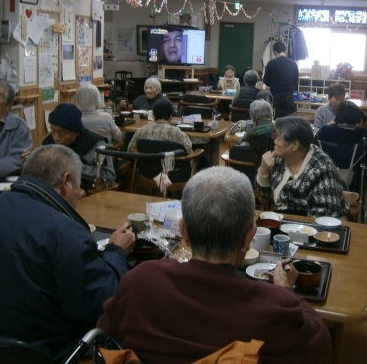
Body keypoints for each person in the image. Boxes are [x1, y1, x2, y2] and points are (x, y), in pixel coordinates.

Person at [97, 167, 331, 364]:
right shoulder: (276, 306)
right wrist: (285, 290)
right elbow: (320, 349)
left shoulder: (141, 281)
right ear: (248, 237)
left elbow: (105, 337)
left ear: (183, 232)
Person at [0, 145, 135, 363]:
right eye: (78, 189)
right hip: (30, 354)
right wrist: (116, 251)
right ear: (66, 181)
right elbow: (104, 301)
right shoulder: (62, 231)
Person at [256, 116, 347, 218]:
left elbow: (326, 213)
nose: (275, 141)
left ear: (295, 145)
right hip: (282, 220)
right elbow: (267, 195)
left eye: (279, 138)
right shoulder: (279, 159)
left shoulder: (321, 168)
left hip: (308, 226)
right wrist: (263, 171)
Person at [23, 103, 115, 190]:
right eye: (52, 131)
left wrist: (71, 166)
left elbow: (109, 176)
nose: (56, 137)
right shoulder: (50, 141)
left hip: (83, 192)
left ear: (76, 131)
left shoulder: (95, 144)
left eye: (62, 132)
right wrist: (34, 159)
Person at [316, 101, 367, 192]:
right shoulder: (366, 134)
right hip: (354, 178)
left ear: (338, 115)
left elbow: (315, 147)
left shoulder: (325, 131)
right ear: (357, 116)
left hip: (325, 175)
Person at [127, 97, 192, 153]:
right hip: (171, 167)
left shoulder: (141, 131)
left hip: (144, 166)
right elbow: (188, 149)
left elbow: (130, 149)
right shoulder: (177, 132)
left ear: (154, 117)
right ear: (170, 117)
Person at [262, 41, 299, 118]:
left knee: (276, 119)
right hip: (289, 96)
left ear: (275, 52)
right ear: (285, 51)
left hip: (276, 96)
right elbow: (296, 83)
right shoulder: (293, 64)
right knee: (289, 120)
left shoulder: (271, 63)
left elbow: (266, 81)